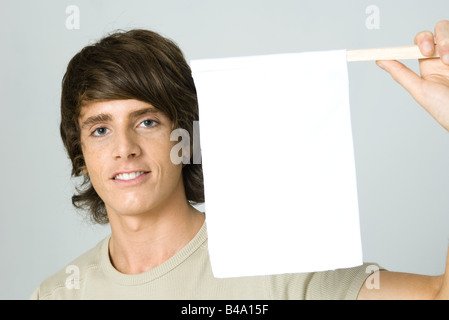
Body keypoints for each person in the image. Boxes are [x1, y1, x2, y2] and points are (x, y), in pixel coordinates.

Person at [31, 20, 449, 300]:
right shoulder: (57, 293)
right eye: (100, 129)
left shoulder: (273, 257)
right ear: (80, 153)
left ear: (185, 139)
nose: (124, 148)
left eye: (147, 122)